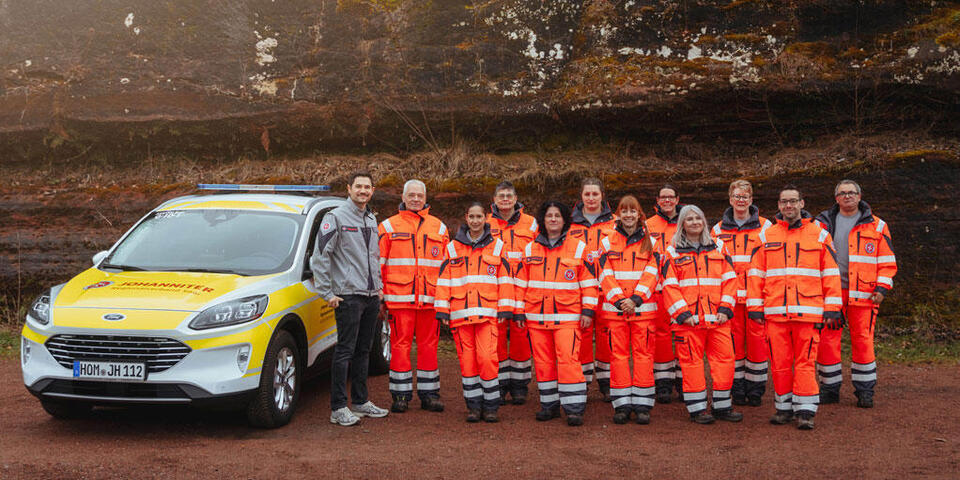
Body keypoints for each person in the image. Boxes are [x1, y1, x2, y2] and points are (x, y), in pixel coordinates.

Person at [746, 185, 843, 430]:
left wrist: (832, 308)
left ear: (802, 203)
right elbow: (755, 274)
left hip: (809, 312)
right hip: (775, 312)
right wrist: (754, 306)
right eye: (783, 202)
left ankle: (806, 410)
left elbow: (830, 274)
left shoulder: (820, 234)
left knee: (805, 362)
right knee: (779, 363)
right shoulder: (766, 236)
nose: (788, 206)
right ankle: (783, 408)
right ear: (778, 206)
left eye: (792, 201)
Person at [310, 171, 389, 426]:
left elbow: (373, 257)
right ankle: (338, 407)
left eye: (367, 187)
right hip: (347, 296)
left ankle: (361, 401)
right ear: (349, 188)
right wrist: (327, 293)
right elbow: (320, 256)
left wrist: (378, 287)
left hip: (370, 296)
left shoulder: (370, 218)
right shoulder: (334, 217)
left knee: (363, 351)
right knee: (344, 351)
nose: (363, 191)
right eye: (359, 187)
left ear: (372, 191)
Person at [515, 201, 599, 426]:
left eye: (557, 216)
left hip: (568, 317)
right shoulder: (530, 249)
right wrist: (519, 312)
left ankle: (574, 408)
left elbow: (590, 283)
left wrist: (588, 310)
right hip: (536, 317)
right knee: (543, 362)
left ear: (565, 220)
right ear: (543, 220)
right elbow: (520, 284)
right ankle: (549, 405)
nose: (553, 219)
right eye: (549, 216)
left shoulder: (579, 248)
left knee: (568, 361)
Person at [814, 180, 897, 408]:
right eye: (842, 193)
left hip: (865, 294)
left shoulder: (878, 226)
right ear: (836, 198)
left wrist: (882, 287)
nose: (847, 196)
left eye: (851, 193)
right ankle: (829, 389)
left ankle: (865, 391)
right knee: (828, 341)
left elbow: (887, 262)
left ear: (860, 196)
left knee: (863, 340)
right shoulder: (821, 225)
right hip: (831, 293)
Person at [661, 205, 743, 424]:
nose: (695, 222)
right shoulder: (672, 252)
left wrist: (726, 309)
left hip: (718, 320)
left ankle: (722, 406)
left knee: (725, 361)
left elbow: (730, 281)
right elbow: (669, 286)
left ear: (704, 221)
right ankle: (697, 409)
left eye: (698, 218)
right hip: (689, 322)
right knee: (691, 365)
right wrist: (682, 314)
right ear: (682, 224)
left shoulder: (719, 247)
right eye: (689, 219)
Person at [435, 203, 515, 423]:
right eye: (472, 216)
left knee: (488, 359)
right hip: (460, 316)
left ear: (485, 218)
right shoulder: (452, 248)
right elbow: (444, 280)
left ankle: (491, 406)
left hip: (488, 315)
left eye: (479, 216)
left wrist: (506, 309)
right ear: (466, 218)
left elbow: (506, 279)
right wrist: (442, 309)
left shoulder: (498, 247)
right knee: (467, 362)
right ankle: (473, 406)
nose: (476, 220)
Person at [378, 179, 449, 413]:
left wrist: (445, 299)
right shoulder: (387, 227)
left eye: (420, 195)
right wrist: (380, 296)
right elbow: (379, 264)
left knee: (430, 346)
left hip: (430, 300)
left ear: (425, 197)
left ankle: (429, 395)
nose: (416, 199)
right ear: (403, 196)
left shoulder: (439, 228)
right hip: (399, 300)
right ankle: (400, 395)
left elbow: (447, 269)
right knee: (400, 346)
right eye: (412, 195)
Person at [597, 195, 660, 424]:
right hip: (616, 311)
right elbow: (604, 274)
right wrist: (619, 300)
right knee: (618, 357)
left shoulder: (652, 241)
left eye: (633, 211)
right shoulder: (607, 241)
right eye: (624, 211)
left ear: (639, 214)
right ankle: (621, 404)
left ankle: (643, 405)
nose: (628, 215)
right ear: (618, 214)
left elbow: (653, 273)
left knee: (644, 357)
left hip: (643, 310)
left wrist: (635, 299)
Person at [710, 179, 772, 407]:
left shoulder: (766, 227)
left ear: (751, 200)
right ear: (730, 199)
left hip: (757, 297)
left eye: (745, 197)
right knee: (732, 346)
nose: (741, 201)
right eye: (737, 196)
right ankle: (736, 388)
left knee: (757, 345)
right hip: (730, 299)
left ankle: (755, 391)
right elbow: (713, 265)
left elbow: (771, 263)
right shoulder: (717, 229)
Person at [486, 181, 538, 405]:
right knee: (494, 338)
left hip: (522, 288)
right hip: (493, 288)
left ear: (516, 199)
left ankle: (519, 386)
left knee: (520, 337)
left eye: (509, 195)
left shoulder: (531, 223)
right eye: (501, 196)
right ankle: (497, 384)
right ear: (495, 200)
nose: (505, 199)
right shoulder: (485, 223)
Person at [568, 178, 618, 400]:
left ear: (602, 196)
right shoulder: (569, 224)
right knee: (583, 337)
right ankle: (583, 382)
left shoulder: (615, 222)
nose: (590, 198)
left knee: (608, 336)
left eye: (594, 194)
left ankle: (608, 383)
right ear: (581, 196)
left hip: (609, 289)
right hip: (580, 289)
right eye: (587, 194)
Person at [645, 184, 686, 403]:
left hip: (682, 287)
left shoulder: (686, 221)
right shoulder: (648, 224)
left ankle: (683, 381)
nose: (667, 201)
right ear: (657, 200)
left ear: (677, 199)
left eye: (671, 197)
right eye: (663, 197)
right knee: (660, 334)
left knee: (682, 333)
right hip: (657, 288)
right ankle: (662, 382)